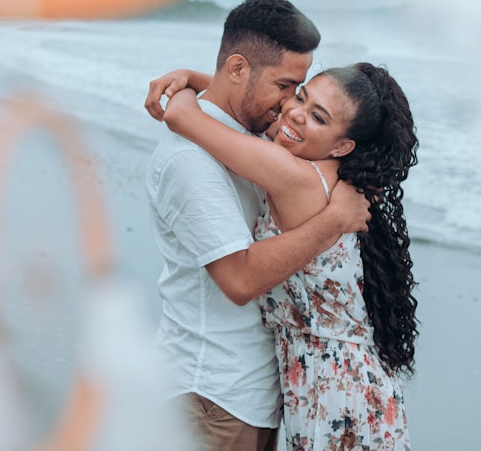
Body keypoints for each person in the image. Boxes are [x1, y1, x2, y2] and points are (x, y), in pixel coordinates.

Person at [143, 0, 372, 451]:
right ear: (238, 69)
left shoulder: (251, 132)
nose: (290, 105)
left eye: (299, 88)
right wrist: (332, 222)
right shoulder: (192, 161)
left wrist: (189, 80)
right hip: (213, 395)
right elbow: (240, 278)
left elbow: (234, 106)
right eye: (286, 85)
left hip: (252, 396)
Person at [160, 61, 420, 450]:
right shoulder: (317, 163)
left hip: (335, 397)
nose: (294, 113)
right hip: (342, 383)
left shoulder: (295, 176)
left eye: (318, 116)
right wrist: (196, 78)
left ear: (342, 146)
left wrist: (180, 83)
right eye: (300, 95)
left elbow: (181, 116)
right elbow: (268, 116)